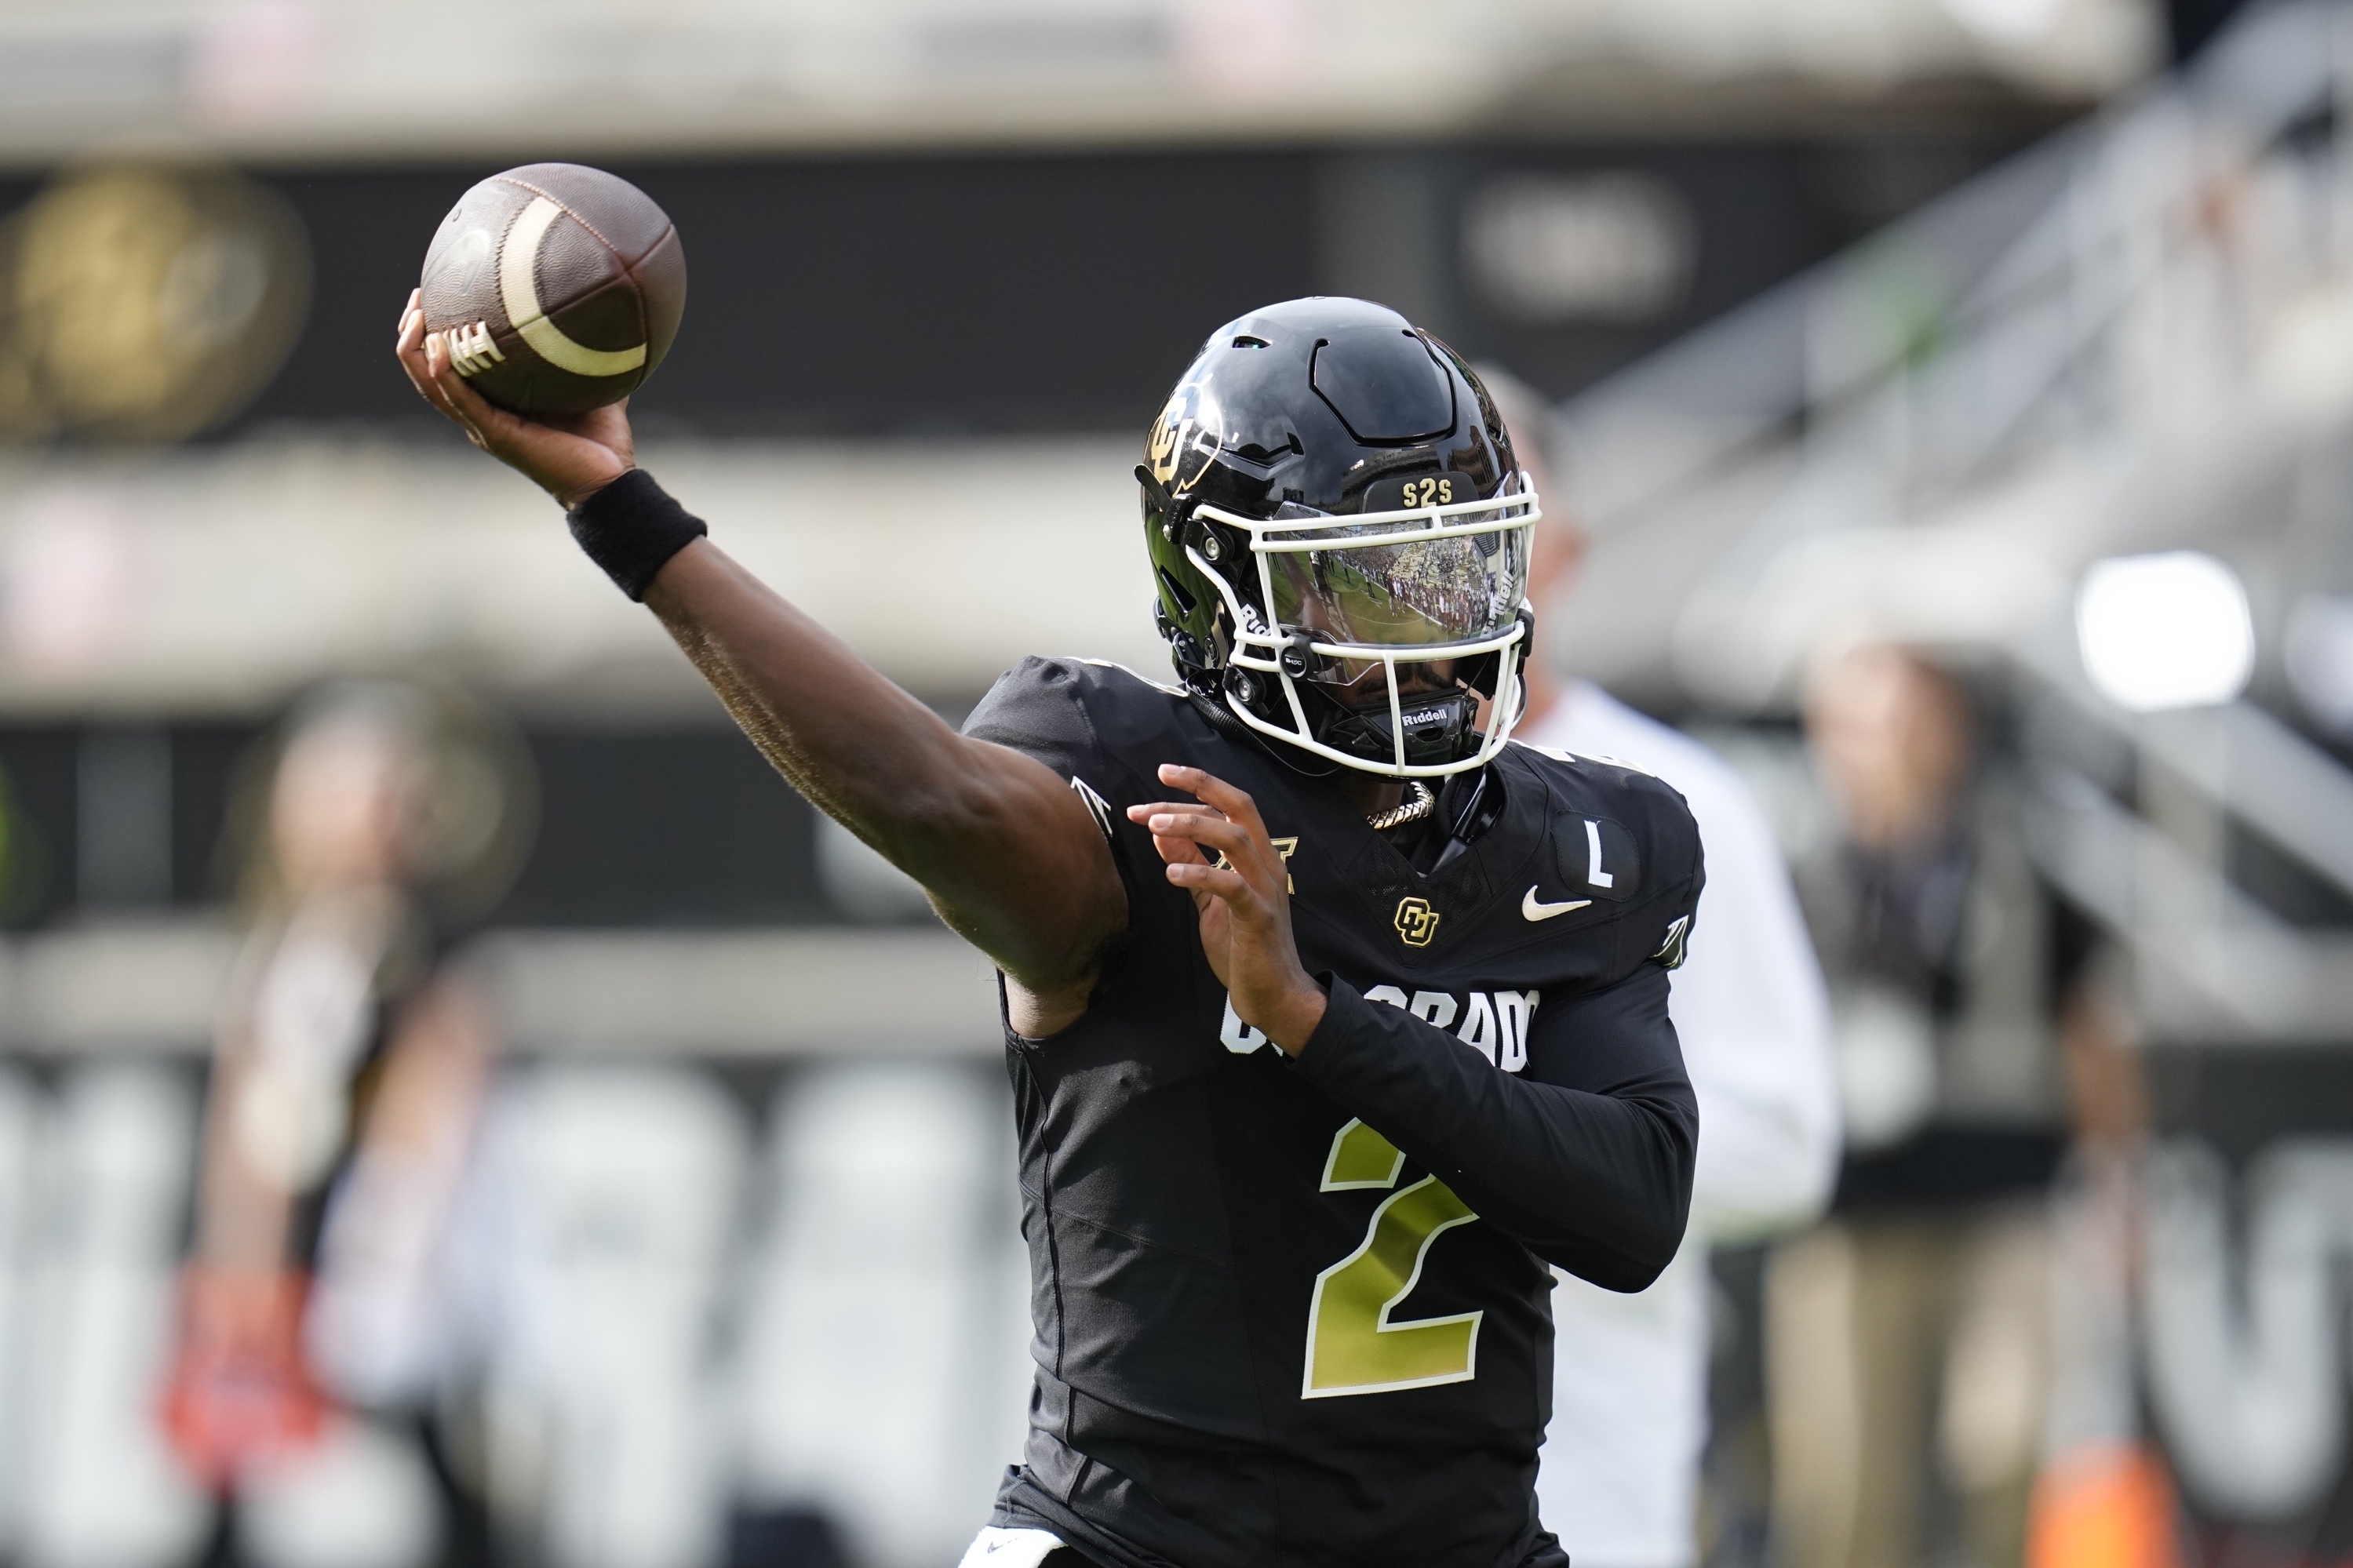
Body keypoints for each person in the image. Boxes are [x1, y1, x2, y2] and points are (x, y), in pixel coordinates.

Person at [397, 291, 1704, 1568]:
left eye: (1459, 573)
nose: (1433, 638)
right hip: (1140, 1537)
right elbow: (927, 792)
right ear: (1219, 586)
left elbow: (1629, 1209)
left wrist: (1309, 1011)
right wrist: (625, 516)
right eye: (1362, 595)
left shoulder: (1581, 847)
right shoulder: (1135, 783)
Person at [1483, 377, 1841, 1567]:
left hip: (1583, 1479)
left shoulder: (1670, 807)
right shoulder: (1298, 808)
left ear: (1566, 549)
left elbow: (1787, 1141)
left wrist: (1501, 1118)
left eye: (1494, 518)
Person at [1770, 643, 2071, 1568]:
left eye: (1908, 721)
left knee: (2003, 1450)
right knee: (1846, 1481)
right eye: (1862, 724)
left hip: (1999, 1209)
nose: (1885, 747)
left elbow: (2085, 1026)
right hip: (1850, 1223)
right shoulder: (1789, 874)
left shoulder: (2019, 864)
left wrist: (2116, 1192)